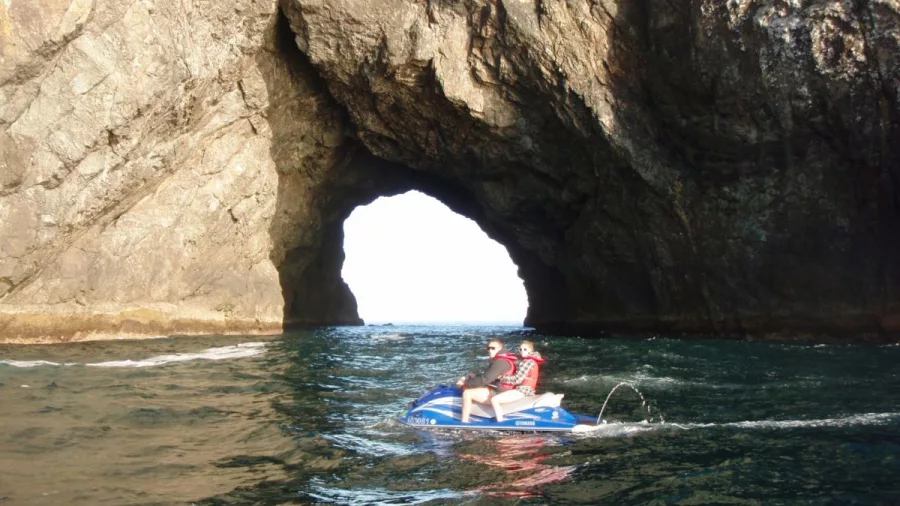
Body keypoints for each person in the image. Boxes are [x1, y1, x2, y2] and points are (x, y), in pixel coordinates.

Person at [456, 338, 517, 423]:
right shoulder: (503, 359)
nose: (490, 350)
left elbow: (485, 379)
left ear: (500, 348)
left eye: (493, 348)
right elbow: (488, 376)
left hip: (499, 391)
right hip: (500, 388)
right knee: (476, 386)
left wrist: (465, 383)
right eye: (488, 348)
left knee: (467, 393)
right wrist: (474, 377)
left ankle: (464, 422)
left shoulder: (500, 362)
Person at [490, 340, 545, 422]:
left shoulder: (528, 362)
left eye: (525, 349)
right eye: (520, 349)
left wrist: (501, 378)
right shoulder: (528, 360)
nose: (522, 351)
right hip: (526, 390)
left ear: (530, 350)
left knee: (494, 400)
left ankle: (500, 422)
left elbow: (517, 379)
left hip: (523, 391)